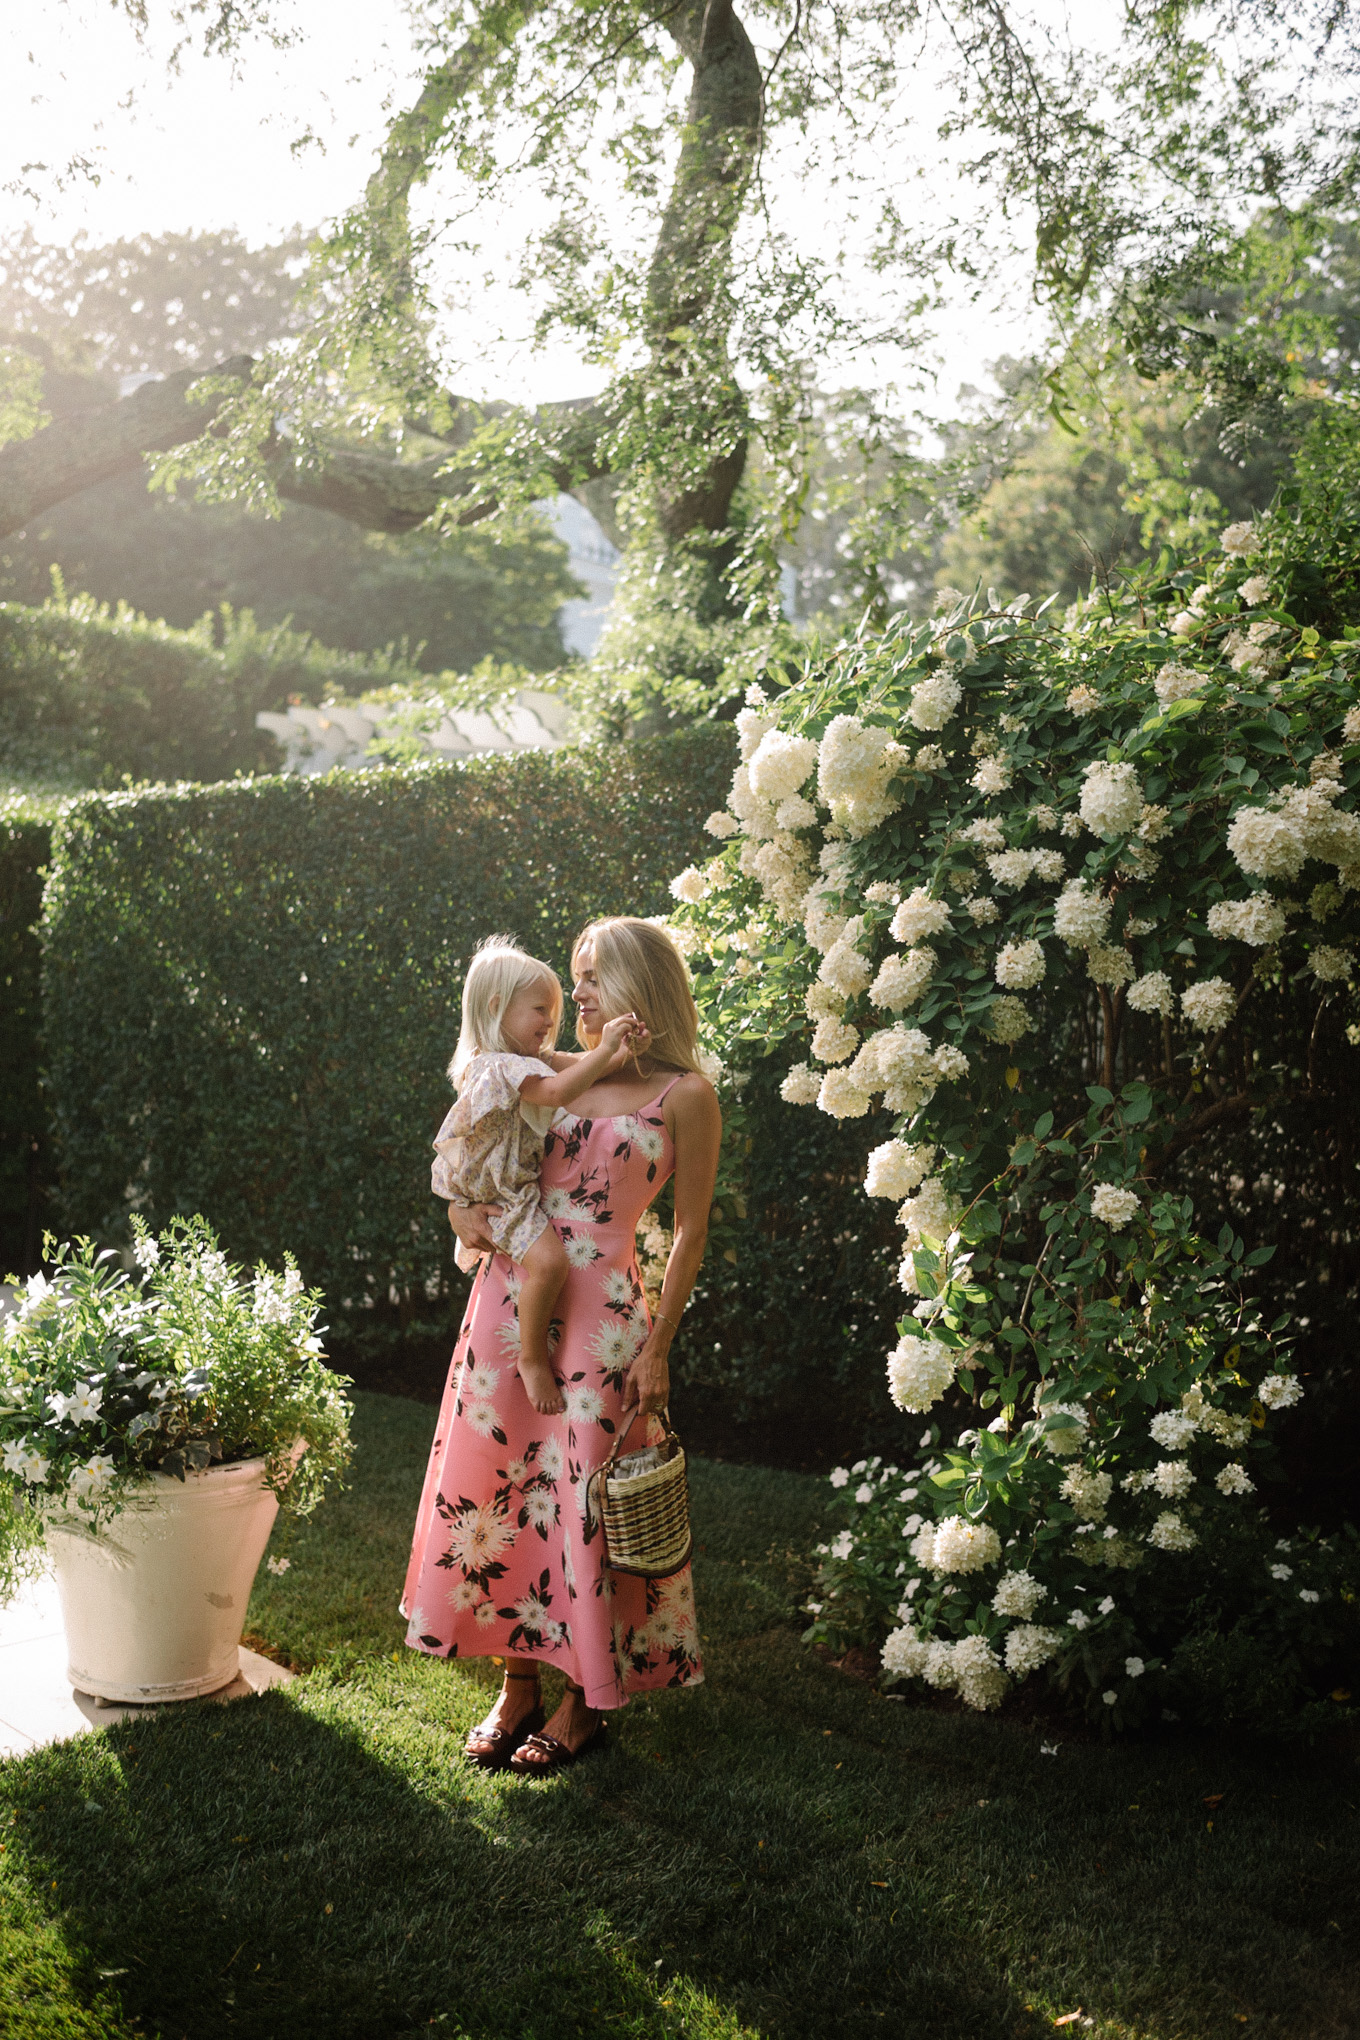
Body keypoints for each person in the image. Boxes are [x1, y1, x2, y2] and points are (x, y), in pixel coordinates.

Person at [402, 916, 722, 1777]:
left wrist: (659, 1347)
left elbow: (690, 1232)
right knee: (503, 1491)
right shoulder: (551, 1073)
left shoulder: (686, 1093)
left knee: (583, 1499)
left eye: (590, 977)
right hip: (508, 1302)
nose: (575, 995)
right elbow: (480, 1155)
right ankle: (516, 1687)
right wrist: (458, 1211)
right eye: (573, 979)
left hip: (604, 1321)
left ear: (637, 985)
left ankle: (585, 1699)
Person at [431, 934, 644, 1414]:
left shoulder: (521, 1061)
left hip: (510, 1191)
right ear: (496, 1007)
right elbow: (558, 1090)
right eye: (539, 1010)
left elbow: (588, 1068)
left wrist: (624, 1051)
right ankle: (531, 1358)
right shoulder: (500, 1067)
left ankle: (530, 1351)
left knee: (547, 1266)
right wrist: (608, 1043)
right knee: (549, 1265)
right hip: (506, 1197)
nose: (550, 1022)